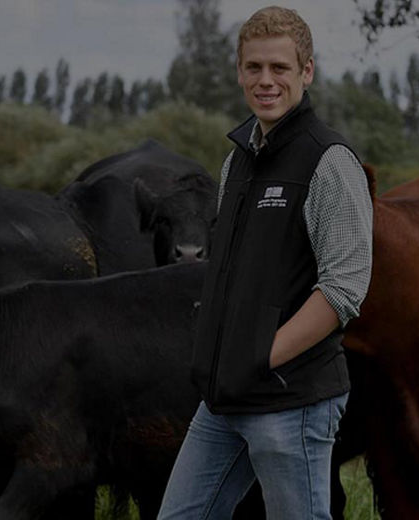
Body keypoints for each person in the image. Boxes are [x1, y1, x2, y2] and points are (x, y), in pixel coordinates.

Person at [158, 6, 373, 519]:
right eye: (254, 67)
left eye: (280, 68)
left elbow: (344, 290)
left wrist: (261, 355)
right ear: (239, 72)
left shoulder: (329, 162)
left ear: (307, 72)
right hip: (224, 397)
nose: (266, 80)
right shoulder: (238, 160)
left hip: (290, 400)